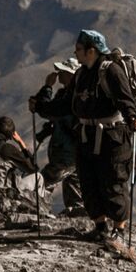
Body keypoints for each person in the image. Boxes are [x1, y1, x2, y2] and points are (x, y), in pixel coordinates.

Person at [36, 29, 136, 248]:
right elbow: (66, 105)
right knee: (89, 181)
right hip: (86, 135)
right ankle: (100, 227)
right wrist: (41, 106)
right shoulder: (81, 75)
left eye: (80, 49)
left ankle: (118, 229)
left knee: (113, 180)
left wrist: (132, 118)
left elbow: (125, 98)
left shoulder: (110, 70)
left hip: (112, 136)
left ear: (91, 51)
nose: (76, 52)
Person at [28, 60, 85, 216]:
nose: (59, 75)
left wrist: (47, 87)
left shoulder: (72, 97)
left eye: (63, 72)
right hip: (71, 151)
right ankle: (79, 216)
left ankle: (35, 211)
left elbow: (47, 110)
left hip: (67, 153)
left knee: (45, 181)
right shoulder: (66, 94)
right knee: (73, 185)